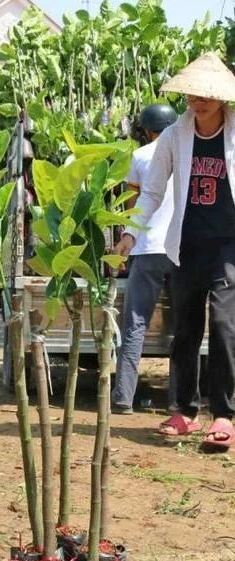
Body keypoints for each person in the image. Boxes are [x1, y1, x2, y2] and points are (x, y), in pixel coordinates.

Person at [115, 52, 235, 450]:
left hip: (229, 246)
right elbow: (151, 191)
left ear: (221, 98)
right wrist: (131, 234)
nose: (198, 102)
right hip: (185, 244)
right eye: (191, 95)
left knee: (223, 324)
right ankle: (185, 410)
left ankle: (224, 414)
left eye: (206, 95)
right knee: (184, 329)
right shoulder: (173, 136)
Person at [111, 103, 178, 415]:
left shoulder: (139, 157)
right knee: (181, 327)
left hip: (147, 248)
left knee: (135, 325)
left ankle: (123, 397)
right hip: (181, 250)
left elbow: (133, 204)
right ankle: (178, 400)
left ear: (147, 130)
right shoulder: (187, 152)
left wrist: (125, 239)